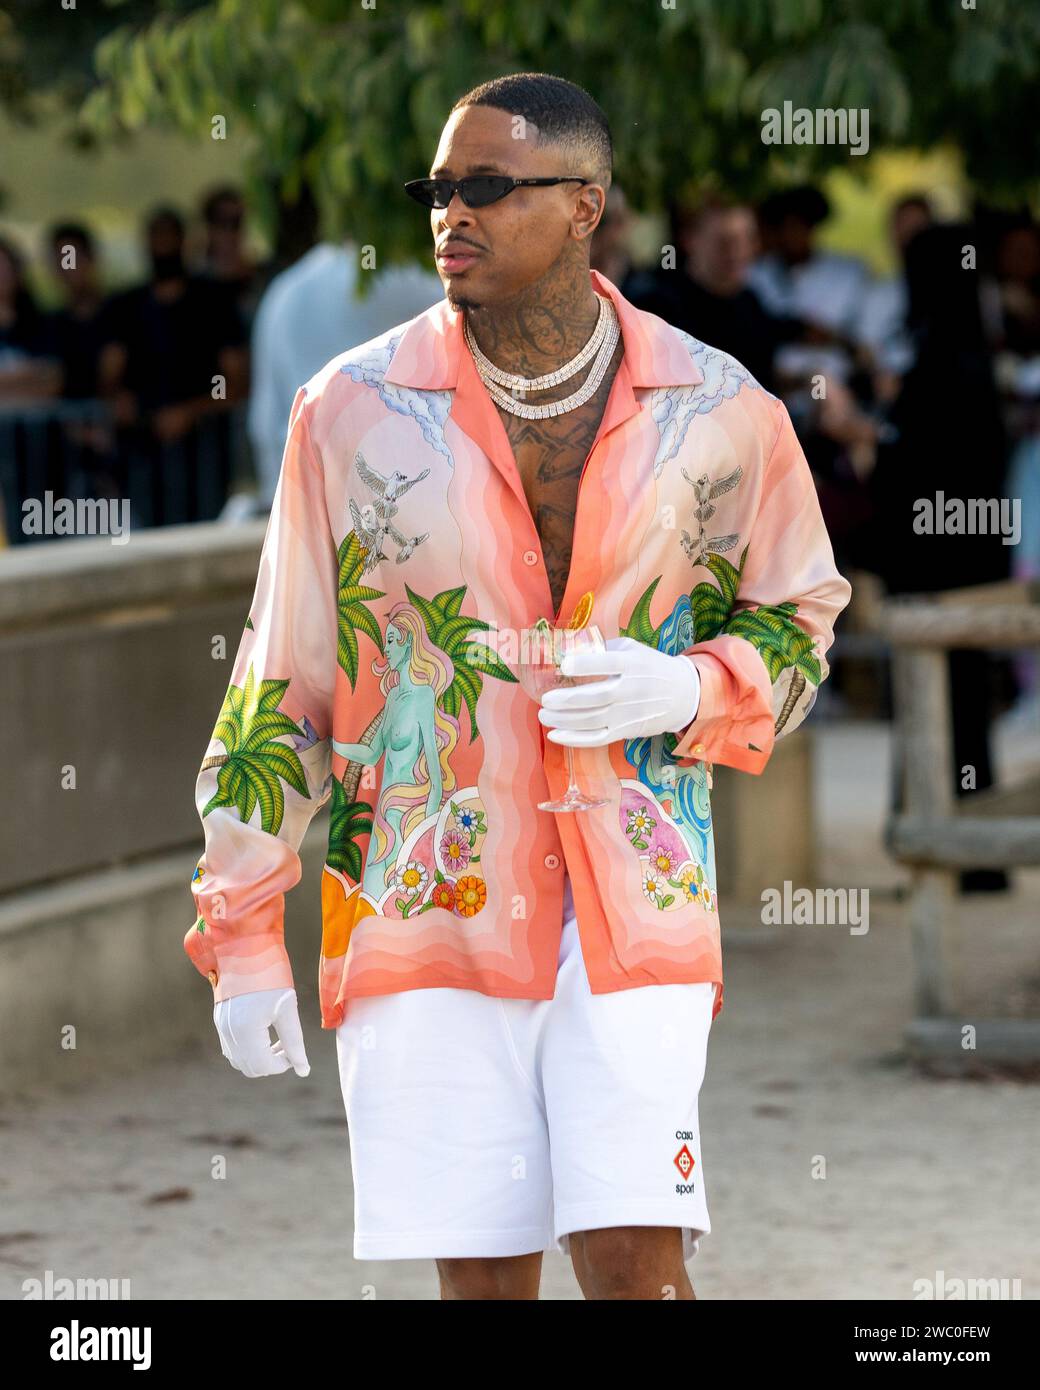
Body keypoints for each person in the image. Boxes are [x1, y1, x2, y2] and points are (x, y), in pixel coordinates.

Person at [185, 72, 851, 1300]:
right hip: (421, 899)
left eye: (487, 186)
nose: (451, 214)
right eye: (439, 189)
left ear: (585, 202)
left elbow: (804, 612)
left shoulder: (719, 409)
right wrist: (242, 936)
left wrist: (689, 688)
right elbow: (282, 675)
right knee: (481, 1285)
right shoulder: (350, 412)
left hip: (633, 899)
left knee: (638, 1269)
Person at [247, 240, 442, 509]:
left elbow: (264, 421)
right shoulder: (399, 276)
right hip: (389, 488)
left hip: (305, 485)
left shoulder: (283, 290)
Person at [99, 207, 249, 524]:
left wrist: (190, 412)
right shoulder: (126, 307)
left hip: (203, 454)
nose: (163, 246)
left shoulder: (213, 301)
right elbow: (110, 377)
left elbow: (234, 383)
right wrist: (120, 402)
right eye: (156, 237)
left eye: (169, 237)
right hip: (142, 453)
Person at [628, 194, 796, 392]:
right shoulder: (656, 307)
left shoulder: (751, 304)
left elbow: (763, 380)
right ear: (689, 240)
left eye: (746, 240)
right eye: (724, 241)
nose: (737, 252)